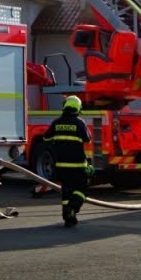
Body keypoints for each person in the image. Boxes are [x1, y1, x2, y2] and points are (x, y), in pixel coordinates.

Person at [42, 95, 92, 227]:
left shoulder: (56, 122)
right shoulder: (79, 123)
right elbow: (88, 139)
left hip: (61, 166)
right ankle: (72, 208)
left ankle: (68, 218)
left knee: (66, 191)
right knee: (82, 189)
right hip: (78, 166)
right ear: (78, 108)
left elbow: (46, 138)